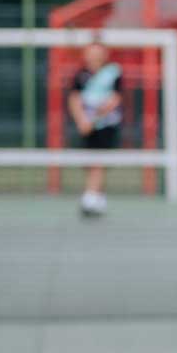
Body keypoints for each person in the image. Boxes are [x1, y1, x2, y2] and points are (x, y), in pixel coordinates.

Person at [67, 39, 123, 218]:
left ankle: (90, 197)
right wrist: (82, 121)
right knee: (89, 163)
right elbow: (74, 99)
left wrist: (94, 119)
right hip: (86, 125)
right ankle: (97, 196)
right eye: (91, 52)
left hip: (106, 125)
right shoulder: (81, 74)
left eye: (97, 52)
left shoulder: (113, 73)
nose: (94, 56)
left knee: (99, 161)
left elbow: (114, 99)